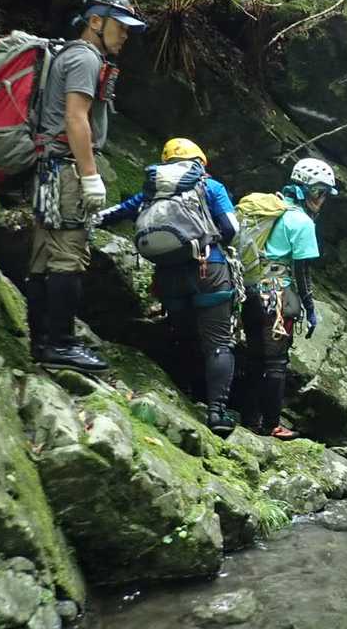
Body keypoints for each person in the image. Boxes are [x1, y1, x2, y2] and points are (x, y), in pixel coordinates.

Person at [28, 0, 146, 374]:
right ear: (95, 21)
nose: (125, 35)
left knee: (44, 255)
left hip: (49, 167)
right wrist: (90, 175)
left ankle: (42, 341)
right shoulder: (85, 58)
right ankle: (60, 344)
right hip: (67, 170)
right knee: (68, 255)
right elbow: (76, 118)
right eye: (119, 26)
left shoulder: (71, 54)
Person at [94, 138, 240, 434]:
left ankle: (183, 392)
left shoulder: (151, 191)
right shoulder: (210, 186)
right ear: (199, 162)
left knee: (183, 335)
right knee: (217, 343)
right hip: (207, 268)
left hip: (168, 275)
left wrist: (84, 222)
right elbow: (231, 229)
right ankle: (217, 413)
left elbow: (113, 213)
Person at [234, 158, 337, 439]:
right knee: (276, 363)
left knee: (255, 358)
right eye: (319, 192)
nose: (322, 199)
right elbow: (302, 272)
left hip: (249, 291)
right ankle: (271, 424)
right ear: (306, 190)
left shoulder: (272, 208)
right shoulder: (301, 222)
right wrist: (310, 307)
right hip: (276, 296)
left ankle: (250, 419)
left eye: (324, 193)